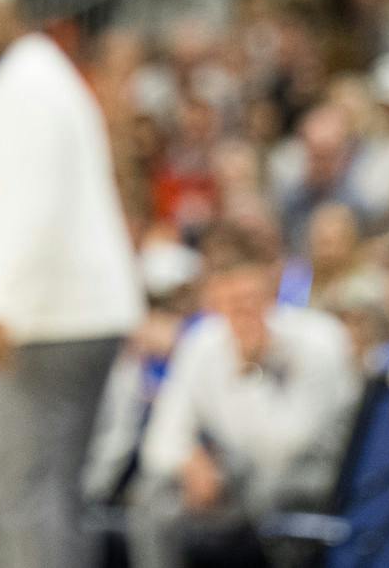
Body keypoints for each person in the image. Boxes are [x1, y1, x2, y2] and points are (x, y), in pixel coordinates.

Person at [0, 0, 142, 568]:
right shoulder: (40, 77)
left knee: (20, 498)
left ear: (7, 18)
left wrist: (4, 312)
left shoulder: (26, 86)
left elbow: (30, 209)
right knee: (51, 497)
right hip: (74, 315)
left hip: (48, 322)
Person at [127, 225, 362, 568]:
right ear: (214, 302)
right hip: (241, 473)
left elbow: (283, 449)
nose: (243, 313)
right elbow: (160, 440)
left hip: (314, 477)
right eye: (231, 303)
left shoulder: (319, 341)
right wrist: (191, 461)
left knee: (269, 490)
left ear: (271, 294)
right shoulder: (202, 342)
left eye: (252, 300)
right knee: (153, 499)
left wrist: (252, 368)